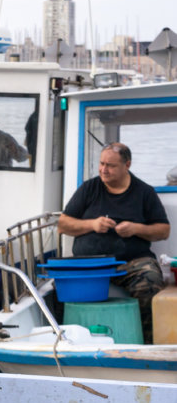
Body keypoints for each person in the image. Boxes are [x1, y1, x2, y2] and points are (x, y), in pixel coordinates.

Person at [58, 142, 170, 343]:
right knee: (59, 289)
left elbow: (163, 230)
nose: (103, 169)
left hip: (132, 263)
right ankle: (68, 343)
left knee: (151, 280)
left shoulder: (144, 192)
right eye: (101, 164)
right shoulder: (89, 188)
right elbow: (63, 224)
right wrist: (92, 225)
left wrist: (136, 229)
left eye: (110, 165)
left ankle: (145, 343)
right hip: (90, 264)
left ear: (127, 165)